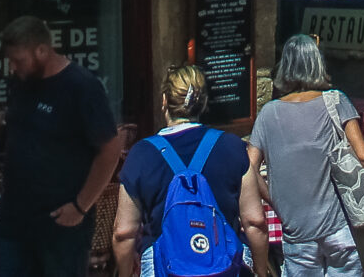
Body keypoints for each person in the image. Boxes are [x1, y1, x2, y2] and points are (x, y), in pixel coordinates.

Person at [246, 34, 364, 277]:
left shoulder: (268, 114)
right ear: (318, 64)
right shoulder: (337, 100)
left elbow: (250, 167)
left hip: (297, 232)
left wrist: (275, 200)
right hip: (341, 228)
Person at [0, 15, 127, 277]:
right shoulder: (21, 84)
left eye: (18, 60)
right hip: (15, 219)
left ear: (42, 50)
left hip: (60, 222)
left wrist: (81, 206)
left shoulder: (80, 87)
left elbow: (110, 148)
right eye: (9, 61)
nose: (12, 68)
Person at [113, 64, 272, 277]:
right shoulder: (232, 148)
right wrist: (261, 271)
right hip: (223, 268)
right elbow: (255, 222)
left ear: (164, 102)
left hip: (164, 269)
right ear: (204, 103)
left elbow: (124, 233)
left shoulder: (141, 155)